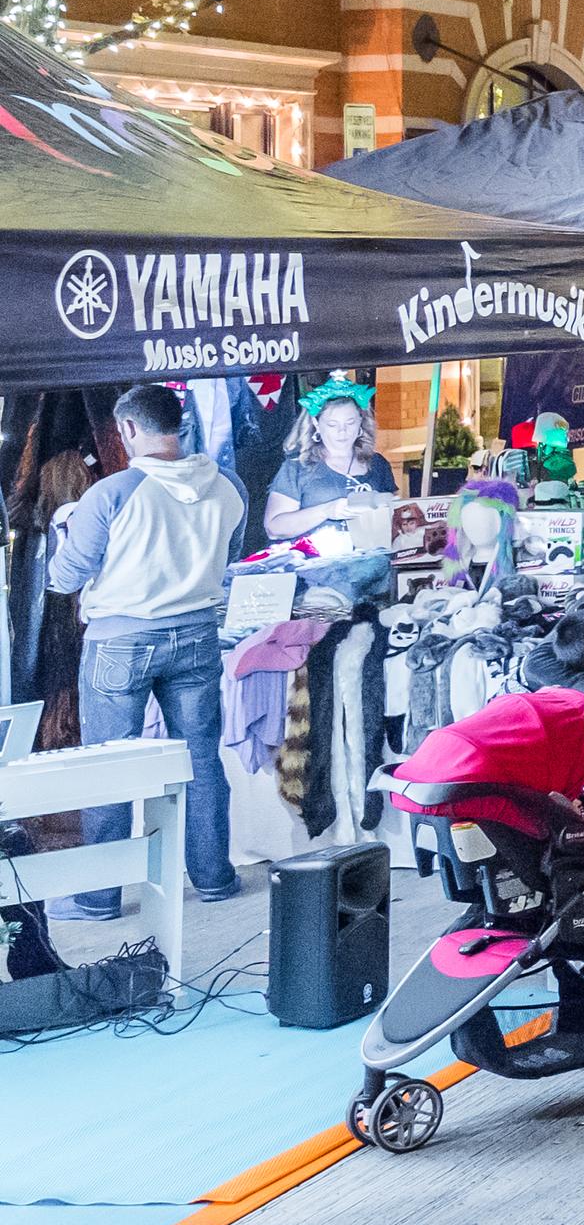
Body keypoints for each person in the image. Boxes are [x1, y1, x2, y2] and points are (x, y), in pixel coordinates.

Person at [48, 383, 251, 915]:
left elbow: (65, 577)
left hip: (121, 641)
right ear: (178, 423)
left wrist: (63, 536)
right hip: (197, 635)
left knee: (112, 767)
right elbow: (230, 554)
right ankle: (214, 880)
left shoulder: (111, 494)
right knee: (202, 760)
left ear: (130, 430)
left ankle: (98, 897)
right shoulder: (229, 485)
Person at [263, 379, 400, 550]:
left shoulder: (378, 464)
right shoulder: (297, 468)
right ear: (316, 424)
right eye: (332, 424)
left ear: (361, 422)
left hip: (373, 570)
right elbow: (274, 528)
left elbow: (397, 517)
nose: (342, 431)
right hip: (315, 572)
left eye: (349, 423)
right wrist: (327, 510)